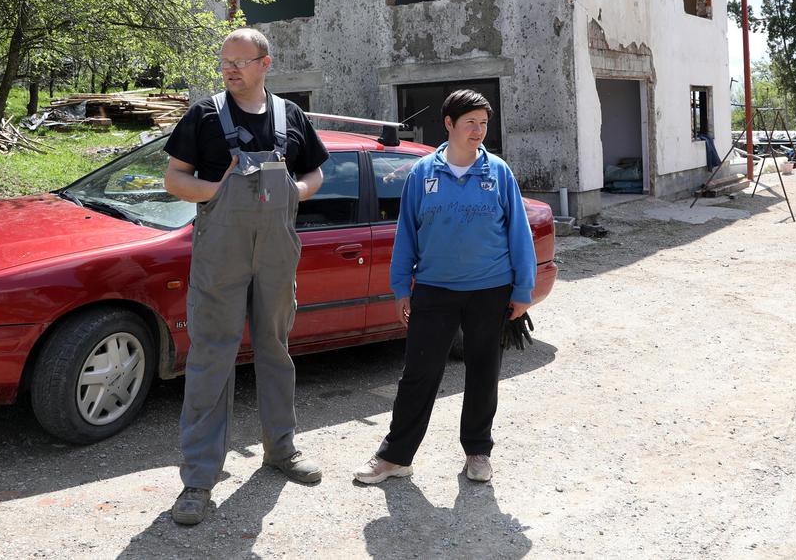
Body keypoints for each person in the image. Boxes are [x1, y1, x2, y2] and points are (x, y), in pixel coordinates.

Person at [163, 27, 328, 526]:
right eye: (224, 61)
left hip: (277, 250)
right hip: (221, 252)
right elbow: (174, 179)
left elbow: (317, 173)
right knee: (212, 356)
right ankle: (198, 478)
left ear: (265, 63)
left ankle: (281, 450)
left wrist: (294, 190)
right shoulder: (205, 115)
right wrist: (213, 190)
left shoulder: (290, 116)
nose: (230, 69)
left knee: (276, 349)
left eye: (241, 61)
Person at [353, 88, 536, 485]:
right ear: (449, 124)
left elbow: (519, 234)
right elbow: (407, 235)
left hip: (491, 289)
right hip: (434, 288)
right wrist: (402, 286)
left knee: (484, 372)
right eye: (470, 122)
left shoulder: (498, 172)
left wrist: (524, 290)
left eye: (484, 123)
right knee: (419, 373)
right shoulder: (422, 173)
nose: (478, 131)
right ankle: (396, 457)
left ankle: (478, 452)